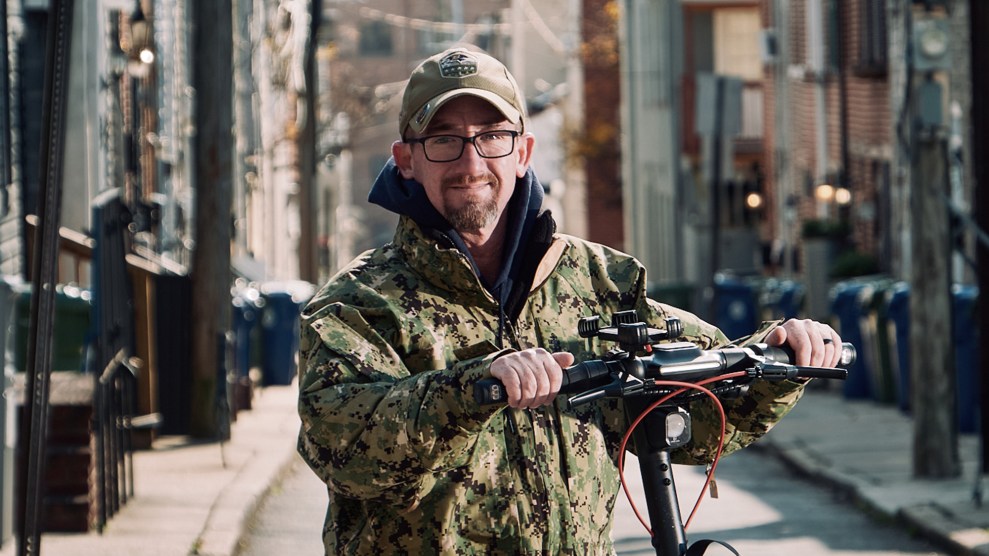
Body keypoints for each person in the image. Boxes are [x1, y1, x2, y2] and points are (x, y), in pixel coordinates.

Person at [297, 46, 843, 555]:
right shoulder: (360, 304)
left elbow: (703, 413)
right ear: (407, 159)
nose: (470, 164)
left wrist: (780, 355)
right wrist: (472, 388)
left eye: (492, 136)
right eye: (443, 141)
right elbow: (342, 448)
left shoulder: (598, 281)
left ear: (523, 151)